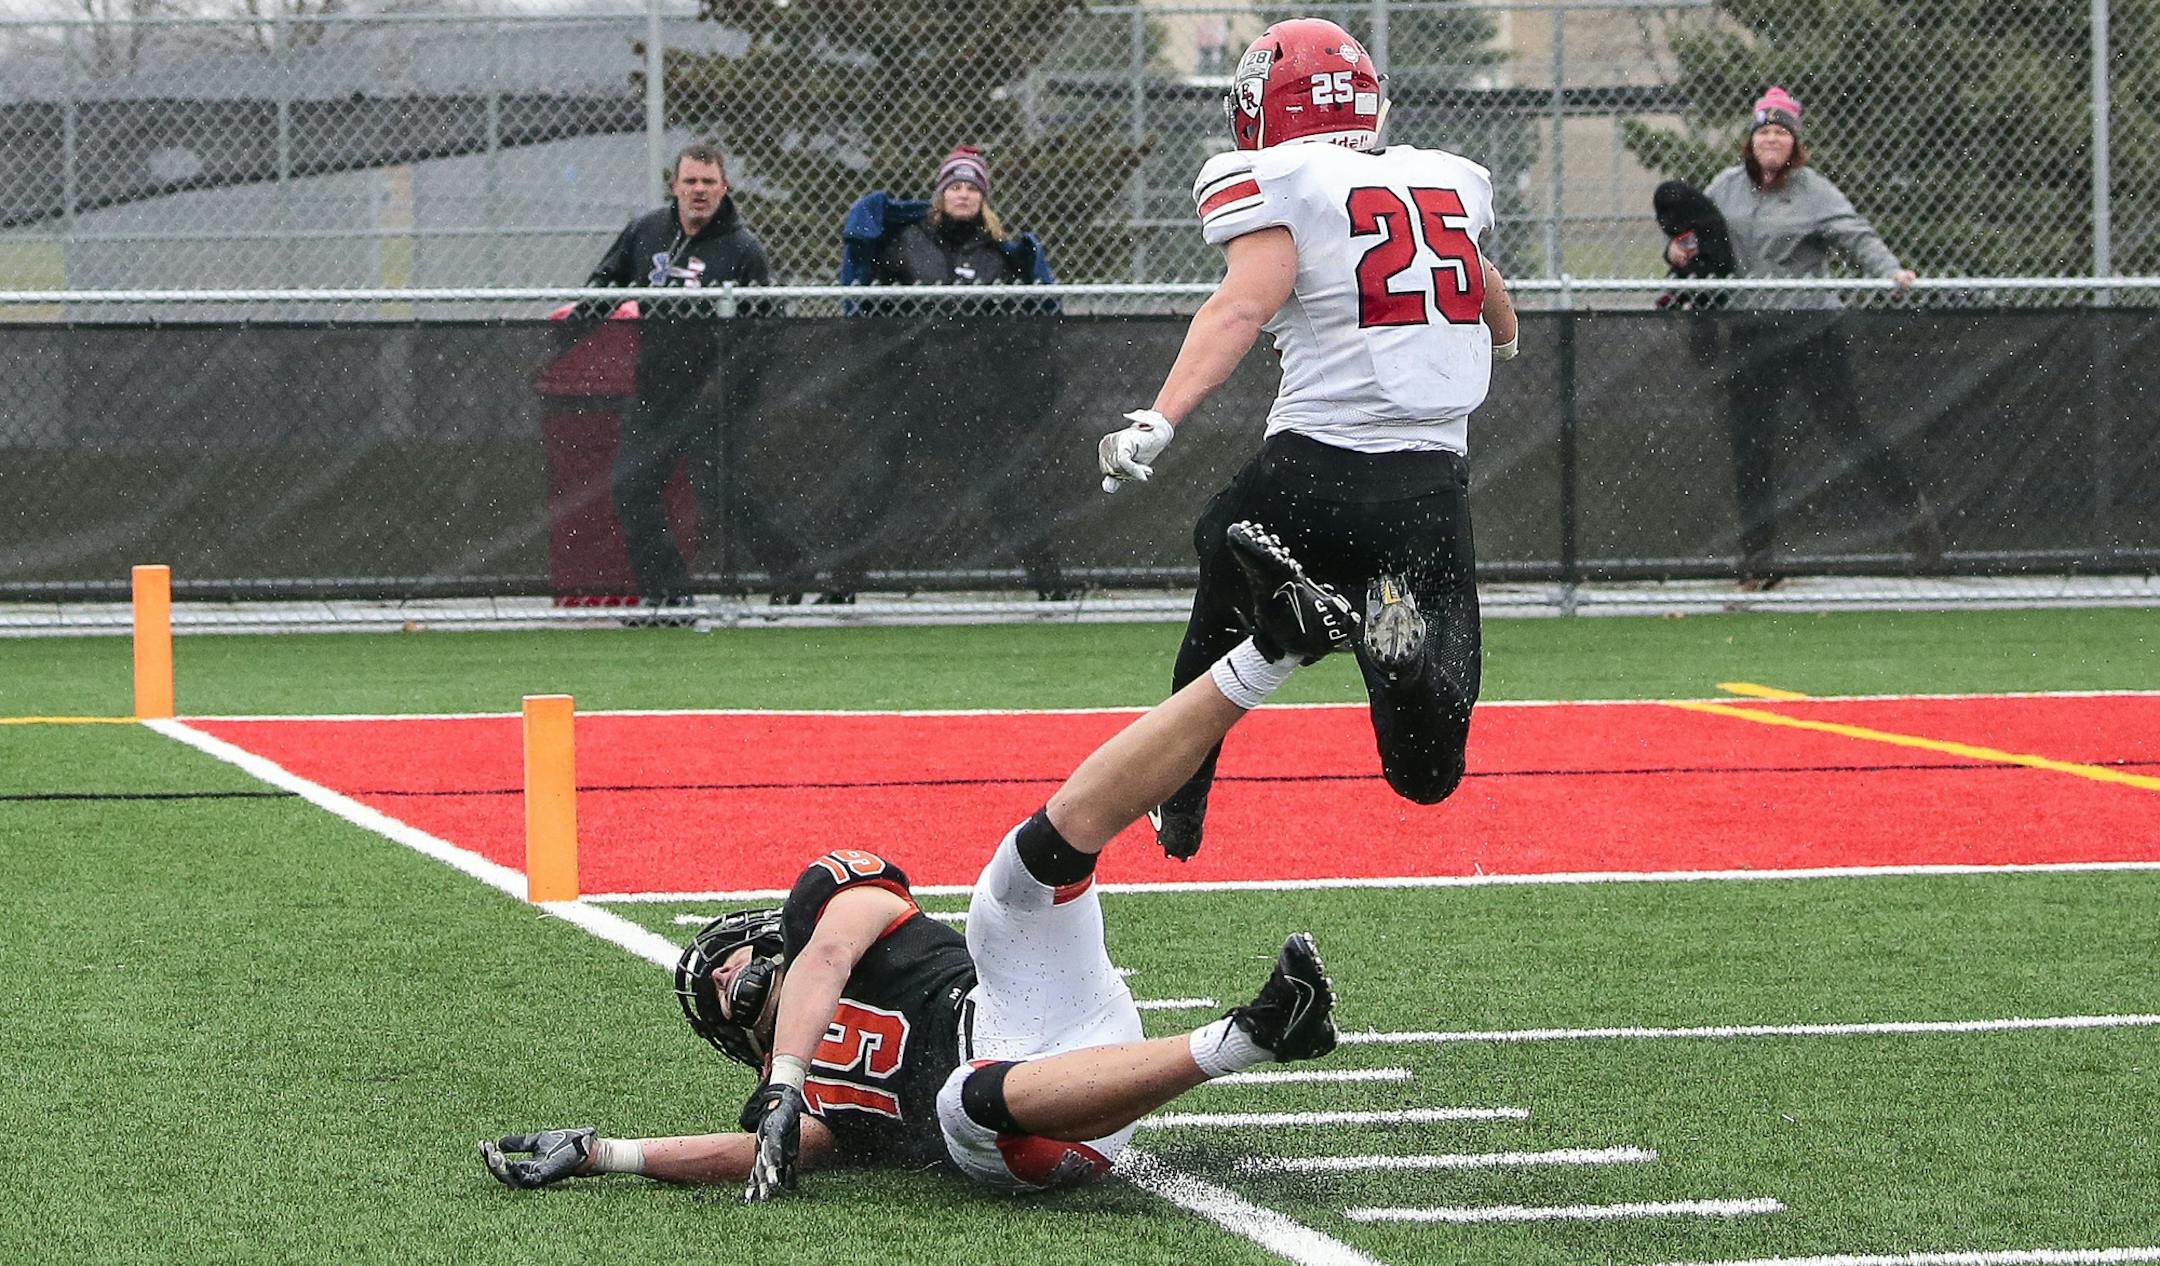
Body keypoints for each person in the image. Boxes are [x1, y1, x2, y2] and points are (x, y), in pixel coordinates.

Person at [479, 522, 1354, 1200]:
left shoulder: (826, 913)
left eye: (727, 960)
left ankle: (1271, 646)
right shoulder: (807, 1101)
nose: (725, 980)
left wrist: (785, 1077)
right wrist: (606, 1154)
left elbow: (828, 951)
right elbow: (761, 1150)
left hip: (1034, 1001)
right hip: (1039, 1134)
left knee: (1019, 872)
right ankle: (1257, 1034)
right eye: (712, 993)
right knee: (960, 1103)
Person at [1096, 17, 1519, 862]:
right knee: (1427, 771)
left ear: (1264, 108)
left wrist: (1160, 416)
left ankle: (1183, 791)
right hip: (1429, 493)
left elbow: (1244, 305)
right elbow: (1484, 292)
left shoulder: (1279, 178)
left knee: (1220, 551)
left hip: (1310, 474)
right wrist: (1501, 342)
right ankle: (1399, 668)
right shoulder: (1442, 179)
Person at [1662, 87, 1943, 590]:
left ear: (1795, 143)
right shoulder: (1726, 187)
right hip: (1750, 331)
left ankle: (1914, 516)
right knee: (1751, 443)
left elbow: (1856, 235)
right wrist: (1678, 255)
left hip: (1811, 328)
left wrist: (1891, 272)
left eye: (1781, 132)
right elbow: (1697, 241)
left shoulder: (1814, 190)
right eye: (1763, 131)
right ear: (1750, 141)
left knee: (1846, 428)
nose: (1771, 139)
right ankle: (1758, 558)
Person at [829, 146, 1070, 603]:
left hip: (976, 395)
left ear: (984, 198)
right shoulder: (905, 243)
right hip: (909, 391)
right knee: (872, 488)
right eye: (955, 187)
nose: (963, 195)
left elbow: (1032, 315)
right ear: (940, 195)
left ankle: (1050, 586)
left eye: (972, 188)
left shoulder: (1000, 254)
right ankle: (840, 588)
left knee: (1008, 490)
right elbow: (868, 299)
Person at [582, 141, 809, 621]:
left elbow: (767, 326)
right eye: (691, 182)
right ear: (675, 186)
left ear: (724, 187)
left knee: (718, 490)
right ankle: (666, 596)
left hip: (716, 396)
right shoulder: (646, 232)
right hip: (656, 391)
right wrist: (577, 323)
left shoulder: (743, 250)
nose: (699, 191)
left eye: (709, 182)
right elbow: (604, 282)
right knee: (634, 487)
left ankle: (789, 563)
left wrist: (729, 382)